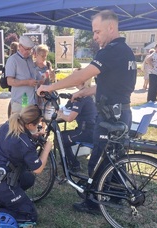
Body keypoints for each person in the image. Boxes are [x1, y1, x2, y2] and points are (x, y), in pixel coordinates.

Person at [37, 10, 137, 214]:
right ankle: (116, 196)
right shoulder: (125, 50)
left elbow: (79, 75)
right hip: (122, 113)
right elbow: (113, 85)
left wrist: (50, 87)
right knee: (115, 158)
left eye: (97, 31)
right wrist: (86, 92)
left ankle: (94, 203)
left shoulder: (110, 51)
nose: (95, 36)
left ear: (111, 27)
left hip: (109, 116)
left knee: (98, 160)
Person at [0, 105, 52, 223]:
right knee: (30, 217)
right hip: (0, 182)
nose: (37, 127)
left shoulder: (8, 125)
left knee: (28, 179)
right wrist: (47, 149)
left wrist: (32, 136)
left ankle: (7, 200)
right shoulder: (25, 144)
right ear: (29, 125)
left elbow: (18, 141)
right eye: (36, 125)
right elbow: (38, 169)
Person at [58, 79, 97, 172]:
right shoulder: (88, 94)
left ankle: (73, 164)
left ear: (81, 81)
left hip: (86, 131)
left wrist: (59, 113)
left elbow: (69, 119)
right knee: (63, 135)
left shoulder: (81, 96)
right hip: (93, 129)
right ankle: (68, 159)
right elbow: (68, 107)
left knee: (60, 138)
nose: (73, 77)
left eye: (76, 76)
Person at [6, 36, 43, 114]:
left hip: (32, 100)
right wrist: (27, 82)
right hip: (20, 101)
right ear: (19, 46)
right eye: (26, 49)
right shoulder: (13, 60)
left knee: (30, 124)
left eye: (30, 49)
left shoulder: (29, 59)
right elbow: (10, 81)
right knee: (20, 124)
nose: (28, 52)